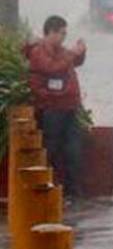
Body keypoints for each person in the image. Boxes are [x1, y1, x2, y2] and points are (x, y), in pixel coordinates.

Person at [24, 15, 88, 197]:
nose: (63, 38)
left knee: (74, 149)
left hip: (70, 106)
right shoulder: (38, 51)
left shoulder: (61, 51)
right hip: (51, 107)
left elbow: (75, 62)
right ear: (50, 32)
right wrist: (72, 54)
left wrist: (80, 52)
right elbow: (53, 68)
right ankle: (49, 190)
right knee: (52, 149)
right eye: (61, 33)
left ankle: (73, 191)